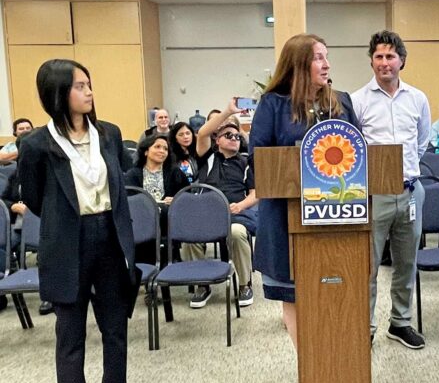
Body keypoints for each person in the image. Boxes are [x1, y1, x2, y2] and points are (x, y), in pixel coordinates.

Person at [18, 59, 139, 383]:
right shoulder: (37, 143)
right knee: (69, 333)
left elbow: (119, 182)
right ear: (58, 93)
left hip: (110, 236)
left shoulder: (109, 133)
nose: (89, 92)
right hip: (67, 242)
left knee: (115, 327)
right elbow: (34, 198)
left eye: (89, 84)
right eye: (80, 86)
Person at [249, 33, 359, 349]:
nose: (327, 64)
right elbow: (260, 162)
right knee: (295, 296)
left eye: (327, 56)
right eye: (319, 57)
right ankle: (309, 370)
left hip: (336, 215)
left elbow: (360, 157)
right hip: (288, 218)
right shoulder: (273, 105)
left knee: (337, 288)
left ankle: (334, 363)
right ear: (299, 65)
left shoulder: (342, 101)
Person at [352, 30, 430, 349]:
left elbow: (421, 142)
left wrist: (405, 174)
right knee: (367, 266)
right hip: (373, 196)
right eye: (379, 56)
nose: (385, 62)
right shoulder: (357, 100)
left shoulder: (418, 98)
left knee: (406, 262)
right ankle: (365, 326)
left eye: (391, 56)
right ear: (371, 61)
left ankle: (400, 322)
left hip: (411, 191)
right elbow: (352, 148)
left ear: (402, 61)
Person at [184, 109, 257, 308]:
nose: (233, 138)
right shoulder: (207, 157)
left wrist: (241, 205)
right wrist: (228, 112)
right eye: (228, 135)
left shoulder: (245, 163)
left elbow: (255, 193)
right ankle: (202, 284)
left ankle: (245, 284)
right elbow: (202, 133)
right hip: (206, 214)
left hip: (235, 214)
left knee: (237, 233)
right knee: (189, 238)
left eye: (236, 136)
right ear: (217, 140)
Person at [125, 134, 188, 265]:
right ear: (146, 151)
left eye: (165, 149)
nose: (162, 151)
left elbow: (187, 195)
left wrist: (177, 200)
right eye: (157, 147)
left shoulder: (175, 173)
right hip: (142, 219)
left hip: (167, 219)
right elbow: (130, 199)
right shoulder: (133, 174)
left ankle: (168, 260)